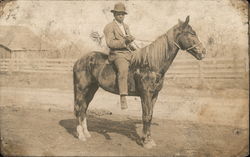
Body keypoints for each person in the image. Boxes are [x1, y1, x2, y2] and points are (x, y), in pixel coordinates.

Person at [103, 2, 136, 110]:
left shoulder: (126, 26)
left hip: (128, 52)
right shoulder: (109, 27)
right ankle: (123, 96)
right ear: (114, 15)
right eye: (118, 14)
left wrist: (132, 43)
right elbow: (110, 43)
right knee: (123, 69)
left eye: (122, 14)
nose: (121, 16)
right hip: (117, 54)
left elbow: (128, 42)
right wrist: (124, 42)